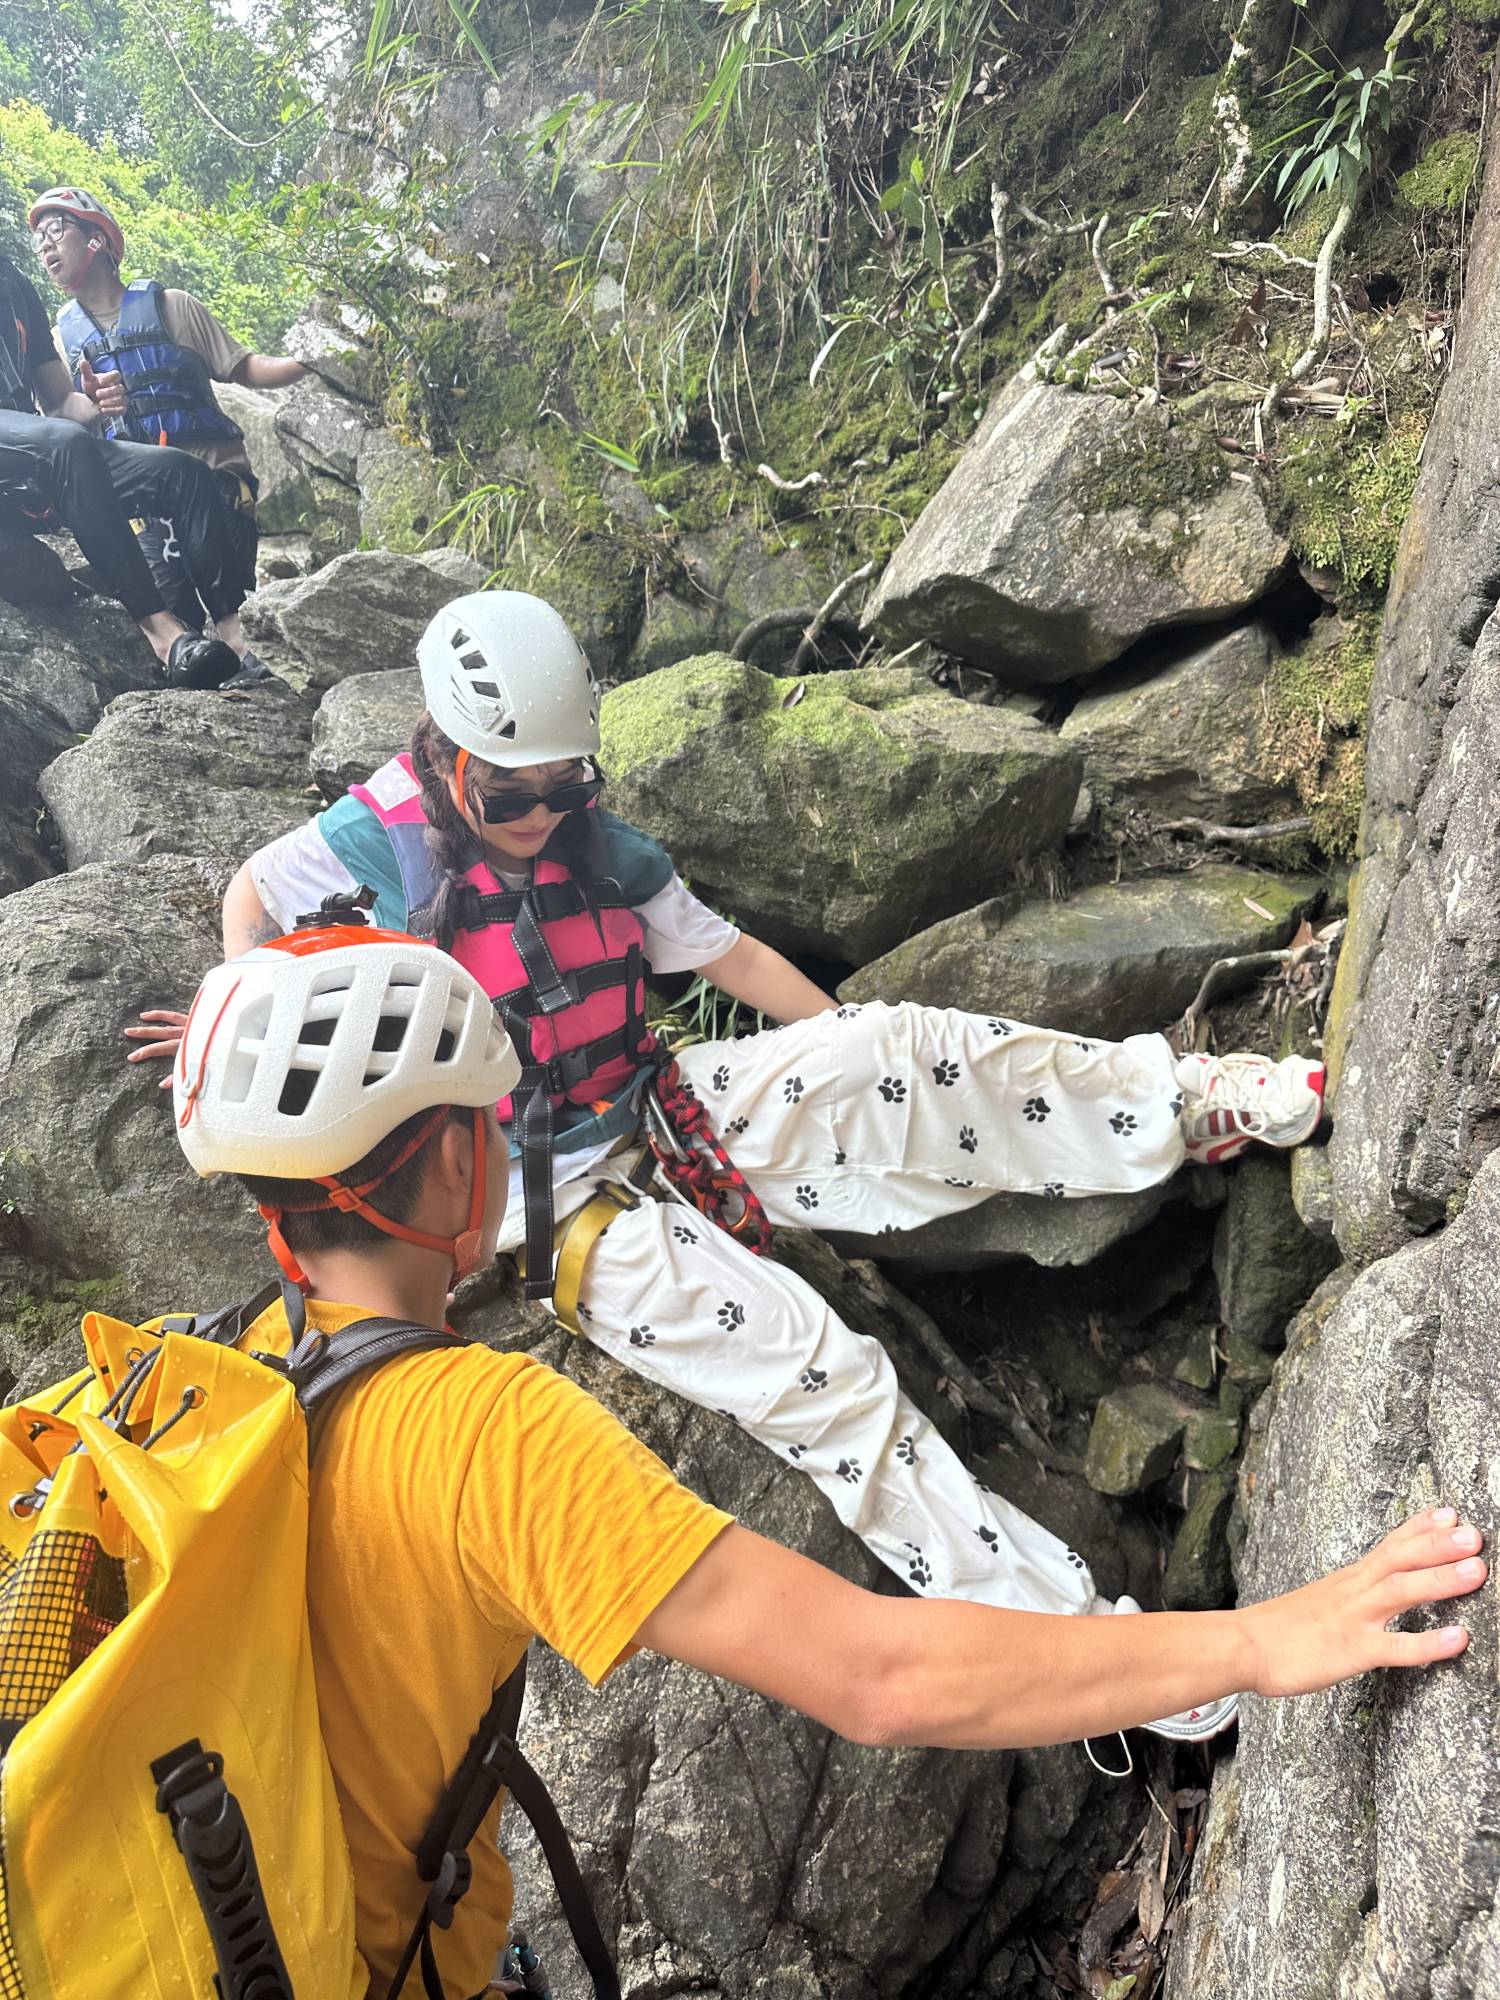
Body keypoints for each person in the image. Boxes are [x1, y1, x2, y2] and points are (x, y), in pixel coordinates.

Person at [170, 921, 1487, 1999]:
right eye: (490, 1116)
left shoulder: (189, 1394)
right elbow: (880, 1677)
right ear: (463, 1159)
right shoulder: (476, 1434)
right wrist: (1264, 1642)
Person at [128, 588, 1331, 1748]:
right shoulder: (372, 839)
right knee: (820, 1372)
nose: (543, 815)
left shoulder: (607, 851)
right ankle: (1088, 1659)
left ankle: (1181, 1102)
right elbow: (254, 890)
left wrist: (841, 1051)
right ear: (447, 755)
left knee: (896, 1045)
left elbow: (735, 955)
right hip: (538, 1192)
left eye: (566, 786)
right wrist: (244, 1001)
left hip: (650, 1095)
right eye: (512, 795)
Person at [31, 186, 307, 683]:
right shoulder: (59, 341)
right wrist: (90, 408)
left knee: (228, 620)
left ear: (97, 238)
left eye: (56, 230)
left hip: (217, 481)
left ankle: (240, 640)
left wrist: (308, 361)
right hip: (142, 508)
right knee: (184, 633)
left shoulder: (173, 307)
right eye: (38, 240)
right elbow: (56, 429)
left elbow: (248, 369)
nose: (45, 246)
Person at [0, 243, 241, 688]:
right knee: (66, 445)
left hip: (29, 453)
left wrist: (91, 401)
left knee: (180, 472)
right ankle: (166, 637)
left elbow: (57, 404)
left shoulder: (14, 284)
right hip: (31, 451)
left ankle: (235, 637)